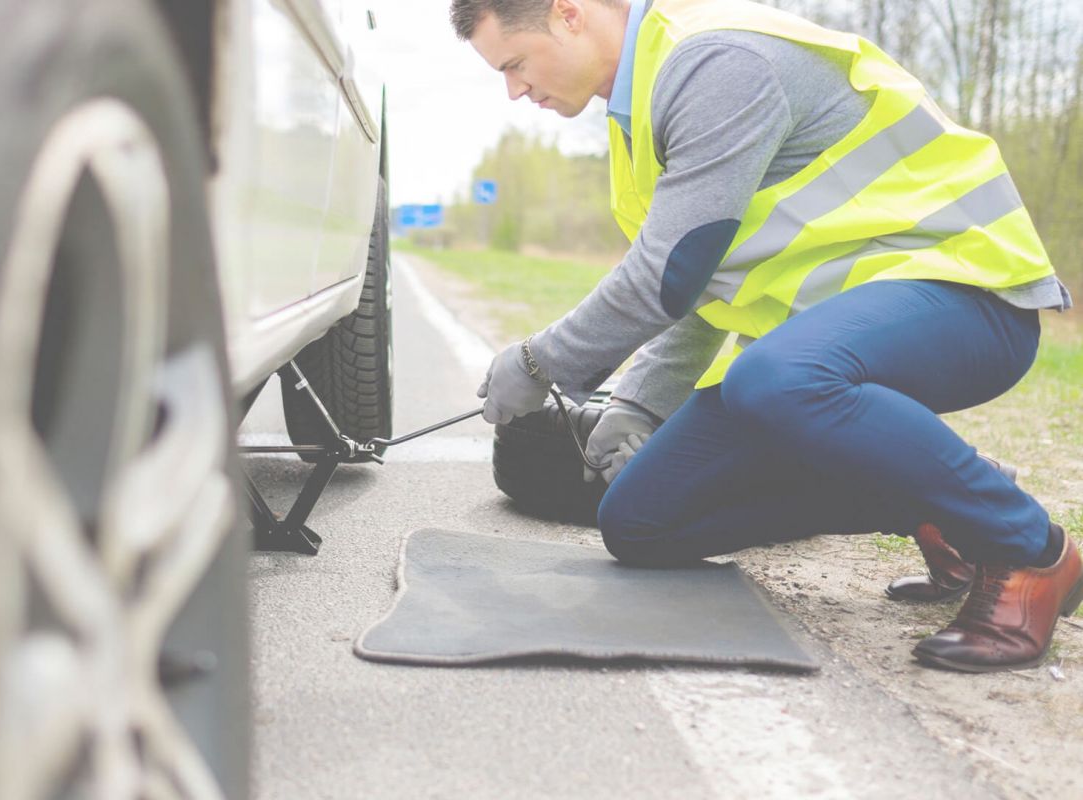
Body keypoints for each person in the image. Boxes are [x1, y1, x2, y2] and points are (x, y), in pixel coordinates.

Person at [454, 0, 1079, 673]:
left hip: (967, 295)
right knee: (639, 520)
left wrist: (539, 363)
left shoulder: (716, 61)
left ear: (569, 14)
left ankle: (1029, 549)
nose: (515, 89)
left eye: (514, 64)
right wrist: (639, 402)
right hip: (829, 345)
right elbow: (700, 282)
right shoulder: (637, 115)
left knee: (771, 379)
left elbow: (668, 271)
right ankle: (936, 498)